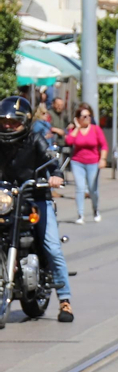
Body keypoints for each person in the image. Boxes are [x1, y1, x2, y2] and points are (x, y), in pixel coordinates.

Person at [0, 95, 72, 321]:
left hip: (35, 198)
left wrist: (56, 176)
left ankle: (65, 300)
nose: (8, 126)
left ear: (26, 121)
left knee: (51, 246)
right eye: (4, 121)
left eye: (14, 122)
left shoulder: (35, 139)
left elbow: (50, 159)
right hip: (6, 199)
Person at [64, 103, 107, 224]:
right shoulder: (74, 130)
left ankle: (95, 210)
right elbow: (68, 141)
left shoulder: (95, 129)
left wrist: (102, 159)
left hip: (93, 162)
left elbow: (104, 145)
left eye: (89, 116)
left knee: (93, 190)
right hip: (77, 162)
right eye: (84, 116)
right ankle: (80, 214)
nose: (87, 118)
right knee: (80, 188)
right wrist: (77, 127)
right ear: (78, 119)